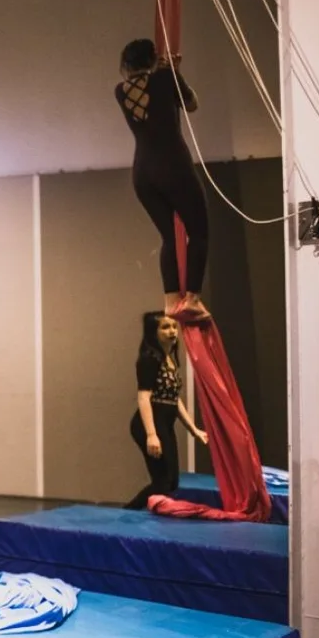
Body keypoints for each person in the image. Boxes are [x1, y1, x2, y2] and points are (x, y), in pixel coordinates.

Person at [116, 40, 210, 320]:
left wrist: (167, 72)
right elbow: (191, 104)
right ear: (154, 58)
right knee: (199, 231)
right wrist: (175, 72)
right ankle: (192, 299)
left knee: (169, 237)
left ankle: (170, 302)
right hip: (172, 165)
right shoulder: (165, 77)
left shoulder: (120, 91)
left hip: (143, 172)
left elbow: (148, 95)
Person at [126, 311, 208, 510]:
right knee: (162, 482)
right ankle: (129, 513)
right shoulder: (149, 359)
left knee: (171, 482)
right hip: (150, 424)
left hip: (165, 424)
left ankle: (136, 512)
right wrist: (151, 435)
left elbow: (173, 399)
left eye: (173, 326)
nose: (172, 331)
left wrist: (193, 429)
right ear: (153, 333)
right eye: (165, 327)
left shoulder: (169, 359)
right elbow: (144, 397)